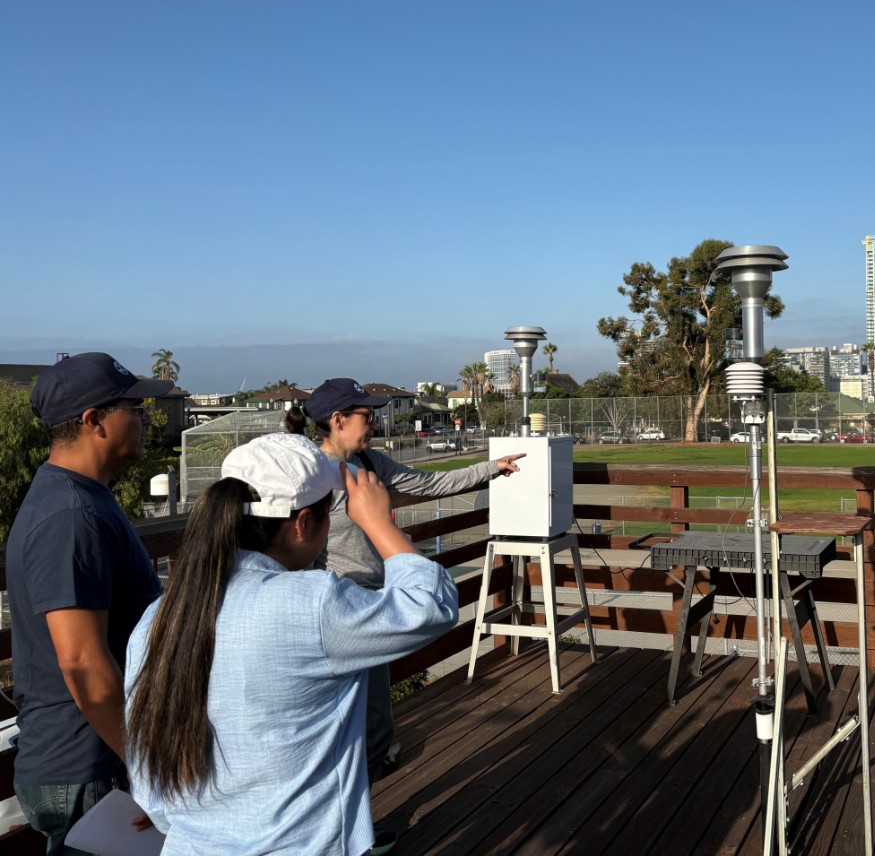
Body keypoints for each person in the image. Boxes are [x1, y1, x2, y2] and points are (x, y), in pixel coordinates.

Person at [124, 433, 459, 855]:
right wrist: (378, 523)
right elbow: (432, 606)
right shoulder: (313, 604)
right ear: (303, 524)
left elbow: (149, 781)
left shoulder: (159, 618)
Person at [285, 378, 522, 795]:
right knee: (348, 714)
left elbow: (428, 484)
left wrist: (491, 468)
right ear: (338, 420)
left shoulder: (370, 462)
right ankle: (361, 804)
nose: (375, 422)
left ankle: (370, 796)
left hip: (372, 604)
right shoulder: (314, 475)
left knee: (374, 712)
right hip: (336, 609)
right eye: (366, 415)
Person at [6, 352, 172, 854]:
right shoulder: (71, 515)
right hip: (91, 770)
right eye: (135, 408)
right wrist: (145, 770)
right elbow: (81, 659)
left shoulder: (82, 497)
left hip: (95, 764)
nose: (146, 419)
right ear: (93, 420)